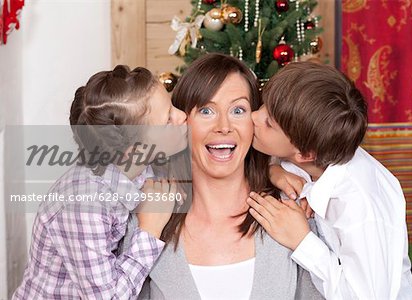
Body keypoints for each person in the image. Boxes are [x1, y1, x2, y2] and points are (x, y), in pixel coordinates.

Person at [122, 53, 323, 299]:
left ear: (254, 122)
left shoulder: (294, 215)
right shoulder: (145, 220)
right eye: (206, 110)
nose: (224, 126)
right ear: (181, 121)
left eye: (238, 110)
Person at [12, 65, 187, 299]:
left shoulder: (137, 169)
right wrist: (150, 230)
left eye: (172, 105)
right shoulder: (83, 206)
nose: (182, 116)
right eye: (168, 120)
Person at [248, 61, 412, 299]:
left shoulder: (359, 207)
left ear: (305, 154)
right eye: (263, 105)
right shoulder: (320, 147)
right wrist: (273, 170)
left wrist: (302, 240)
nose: (253, 115)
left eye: (268, 123)